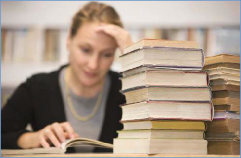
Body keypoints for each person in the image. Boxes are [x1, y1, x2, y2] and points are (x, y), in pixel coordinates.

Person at [1, 1, 132, 152]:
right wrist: (33, 138)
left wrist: (136, 54)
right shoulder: (37, 87)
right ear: (69, 39)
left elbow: (163, 133)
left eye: (107, 54)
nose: (93, 65)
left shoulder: (127, 89)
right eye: (85, 50)